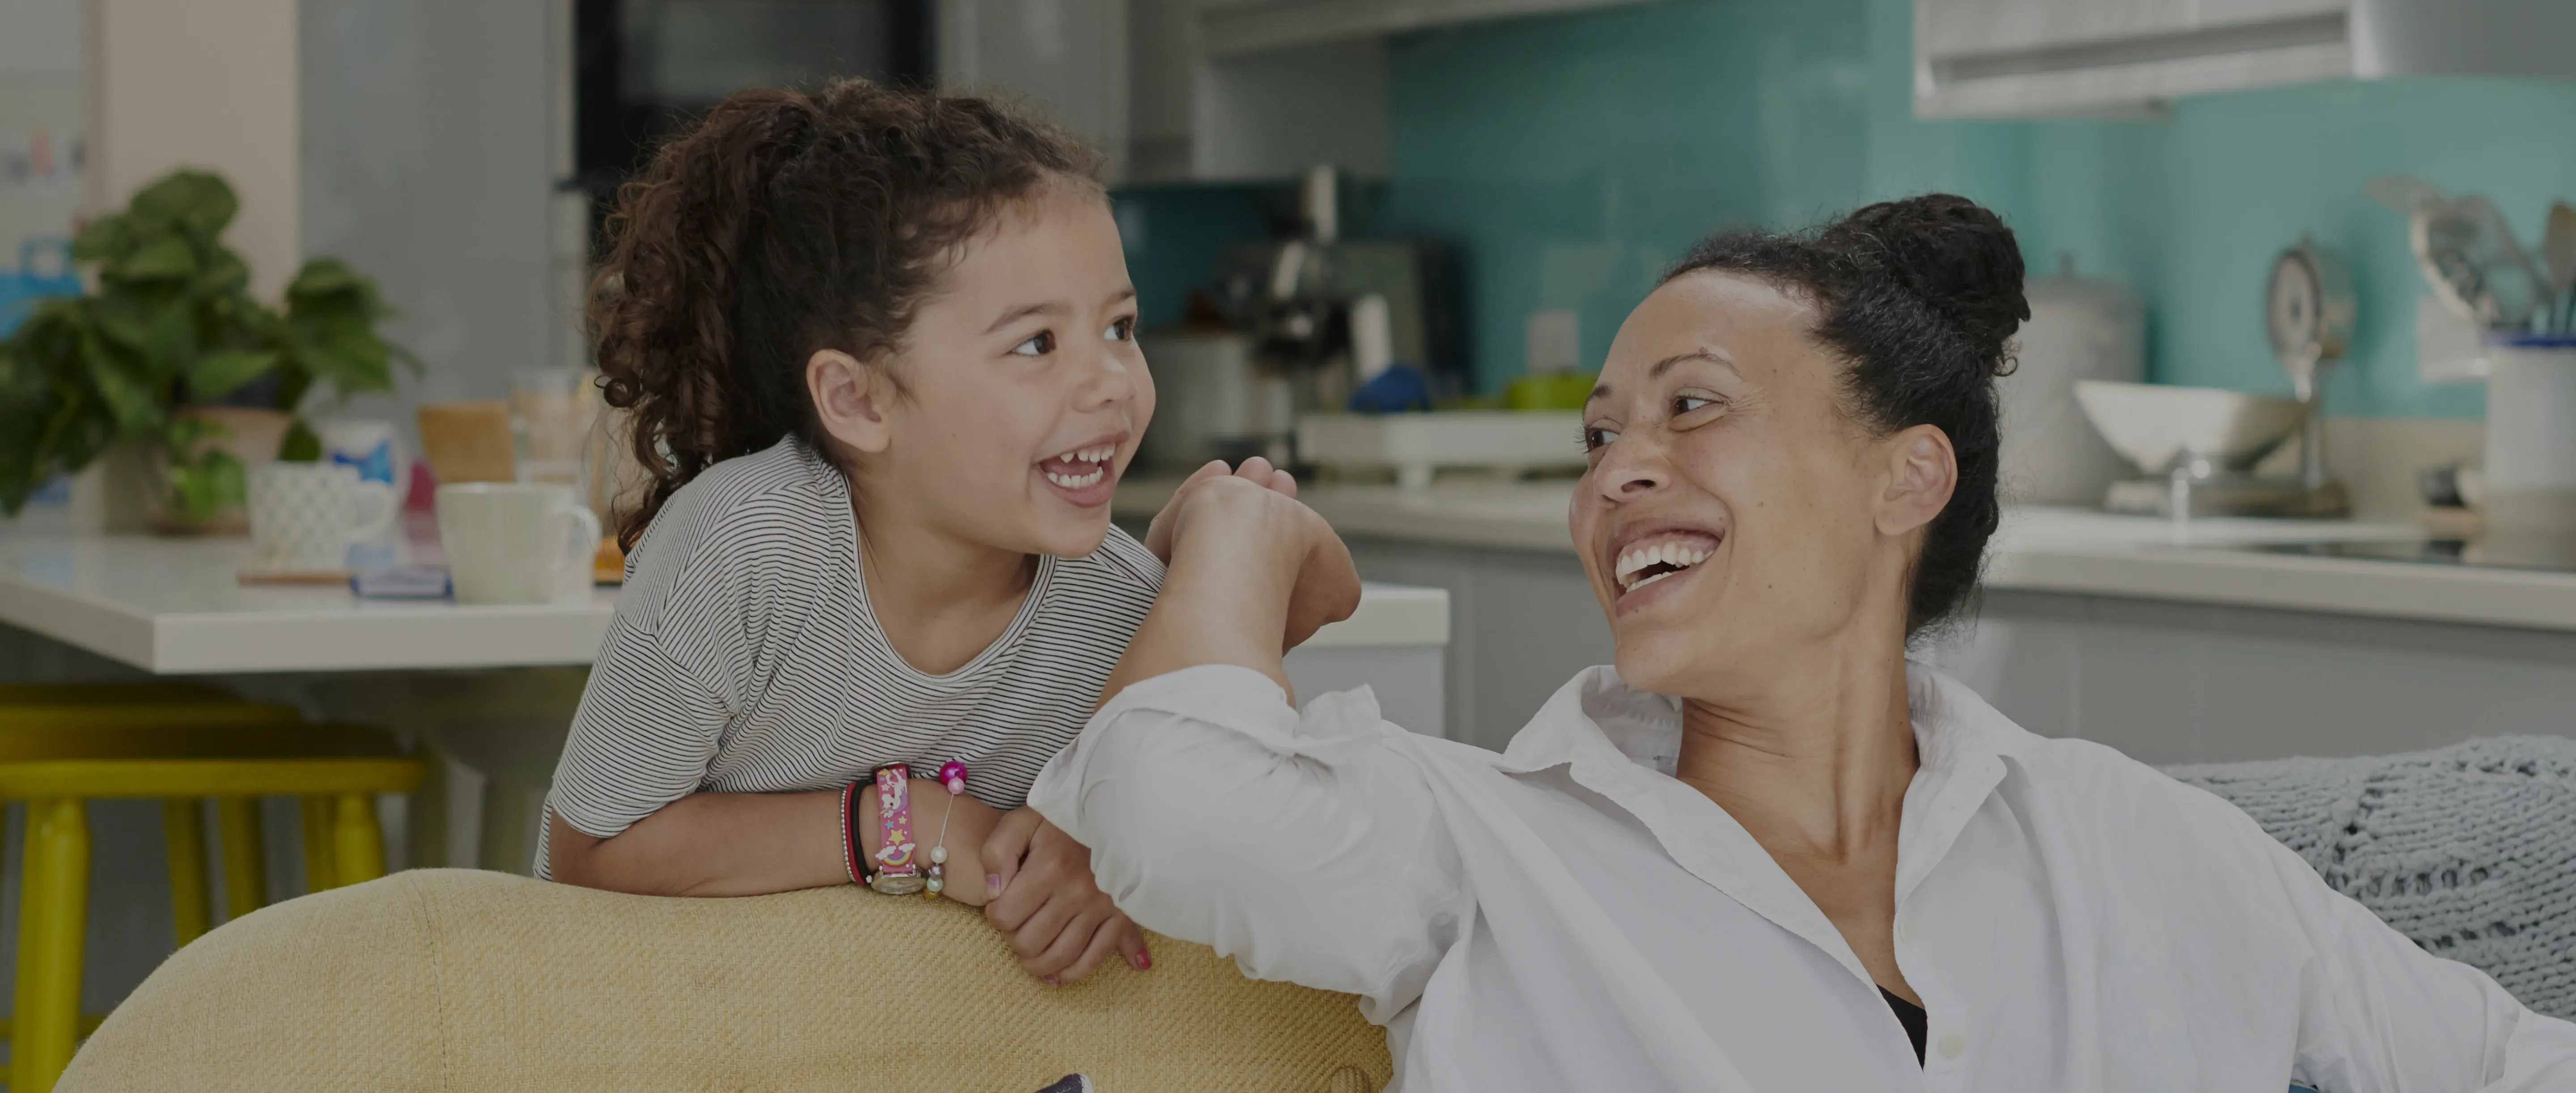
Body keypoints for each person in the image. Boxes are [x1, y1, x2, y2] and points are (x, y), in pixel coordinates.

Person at [1031, 195, 2576, 1088]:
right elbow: (1168, 799)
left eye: (1693, 405)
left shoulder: (2143, 843)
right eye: (1600, 434)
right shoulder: (1485, 851)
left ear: (1907, 473)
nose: (1617, 467)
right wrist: (1239, 529)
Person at [540, 79, 1296, 985]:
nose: (1112, 384)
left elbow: (1247, 799)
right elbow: (595, 848)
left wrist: (1115, 851)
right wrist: (905, 826)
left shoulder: (1124, 615)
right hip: (640, 1012)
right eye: (1036, 344)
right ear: (858, 400)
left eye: (1120, 327)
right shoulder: (743, 545)